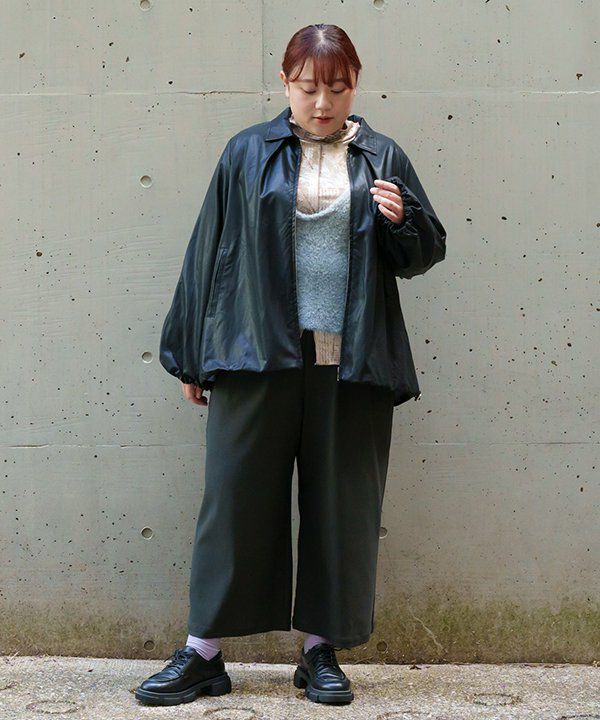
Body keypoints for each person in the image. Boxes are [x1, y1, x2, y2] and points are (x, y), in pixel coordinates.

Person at [135, 23, 446, 708]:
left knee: (341, 509)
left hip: (350, 365)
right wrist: (189, 353)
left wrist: (402, 220)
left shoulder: (382, 155)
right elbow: (208, 251)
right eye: (309, 88)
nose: (323, 103)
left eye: (338, 88)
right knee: (233, 504)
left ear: (355, 86)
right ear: (285, 83)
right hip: (254, 356)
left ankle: (319, 651)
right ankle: (203, 654)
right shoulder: (247, 152)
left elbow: (424, 254)